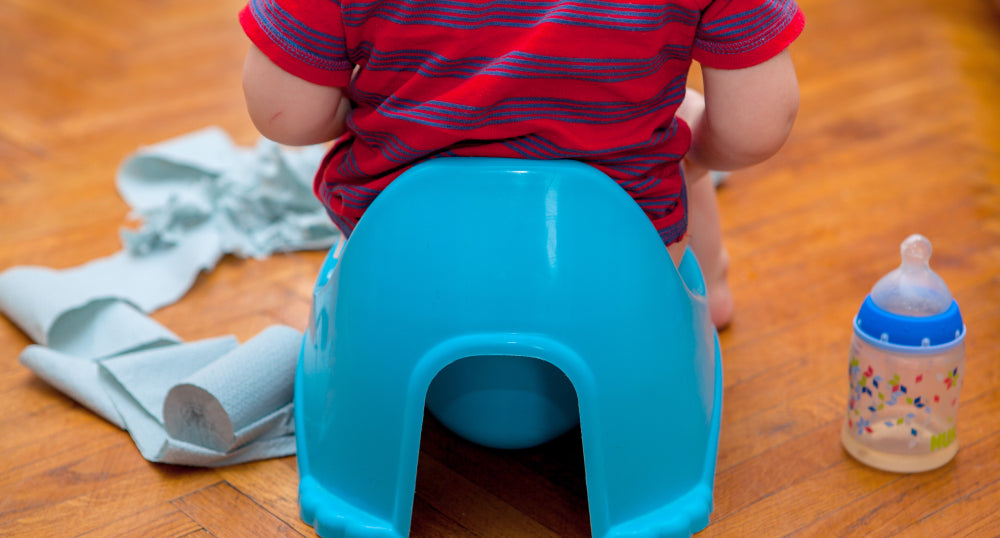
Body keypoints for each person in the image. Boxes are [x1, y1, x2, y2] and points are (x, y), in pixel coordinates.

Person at [239, 0, 804, 329]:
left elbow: (282, 112)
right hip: (616, 266)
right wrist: (691, 158)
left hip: (407, 261)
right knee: (672, 126)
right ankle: (711, 292)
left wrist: (370, 110)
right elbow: (757, 124)